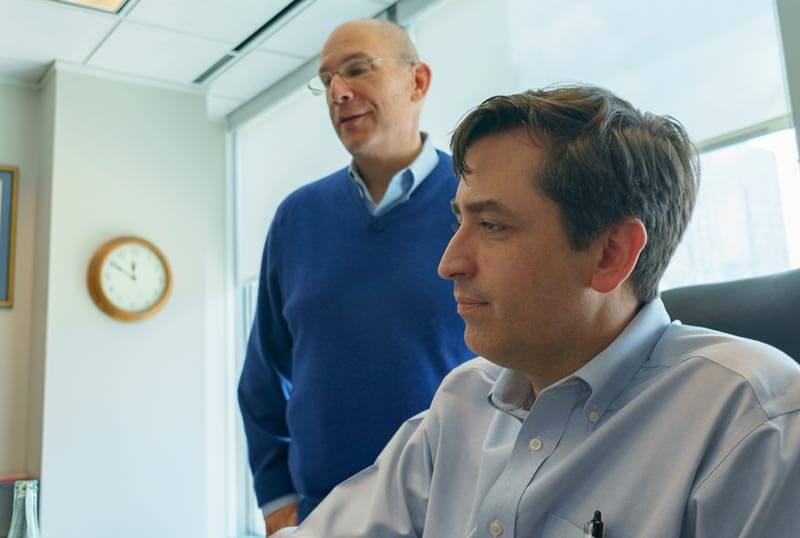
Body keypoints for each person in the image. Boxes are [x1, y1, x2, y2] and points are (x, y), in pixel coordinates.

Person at [271, 85, 800, 537]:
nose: (449, 263)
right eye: (459, 221)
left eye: (494, 226)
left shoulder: (754, 424)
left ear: (610, 254)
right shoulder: (462, 402)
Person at [237, 19, 474, 535]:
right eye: (326, 81)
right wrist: (278, 504)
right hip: (323, 514)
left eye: (358, 70)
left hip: (459, 510)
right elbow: (261, 379)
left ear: (418, 82)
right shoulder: (297, 217)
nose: (338, 92)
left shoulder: (478, 203)